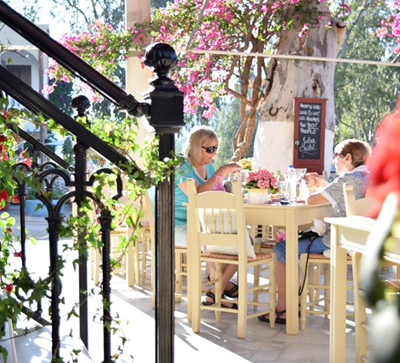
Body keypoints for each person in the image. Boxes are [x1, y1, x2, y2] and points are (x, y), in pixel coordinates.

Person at [258, 139, 371, 324]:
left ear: (348, 158)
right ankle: (292, 306)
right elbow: (339, 195)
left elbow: (311, 201)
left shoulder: (348, 179)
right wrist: (325, 183)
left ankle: (285, 308)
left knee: (282, 248)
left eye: (336, 156)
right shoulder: (367, 178)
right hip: (361, 241)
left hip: (338, 241)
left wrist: (305, 184)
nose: (334, 162)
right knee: (291, 245)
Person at [175, 126, 242, 308]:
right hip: (180, 225)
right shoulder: (181, 167)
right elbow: (198, 197)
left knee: (244, 239)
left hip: (204, 223)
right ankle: (220, 287)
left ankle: (216, 290)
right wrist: (222, 171)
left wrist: (226, 185)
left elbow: (215, 190)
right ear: (196, 147)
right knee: (229, 241)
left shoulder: (209, 167)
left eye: (215, 148)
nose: (213, 153)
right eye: (209, 149)